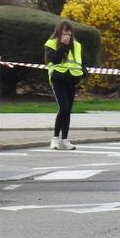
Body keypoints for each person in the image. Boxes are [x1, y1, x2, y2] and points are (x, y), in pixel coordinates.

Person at [43, 19, 84, 150]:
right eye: (65, 31)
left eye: (70, 31)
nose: (68, 34)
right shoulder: (51, 43)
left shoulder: (77, 45)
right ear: (59, 31)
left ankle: (65, 139)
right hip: (58, 78)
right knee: (63, 108)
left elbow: (78, 61)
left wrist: (83, 71)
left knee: (68, 110)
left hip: (71, 79)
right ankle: (55, 138)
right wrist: (63, 45)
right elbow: (54, 60)